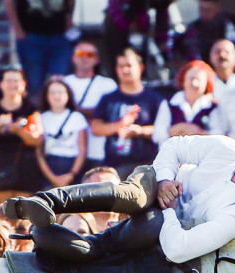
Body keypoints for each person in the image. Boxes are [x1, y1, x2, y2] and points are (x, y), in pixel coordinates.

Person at [4, 130, 235, 265]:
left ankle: (40, 234)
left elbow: (178, 250)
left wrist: (169, 210)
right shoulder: (228, 148)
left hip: (163, 225)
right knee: (134, 196)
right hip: (154, 180)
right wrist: (164, 180)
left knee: (99, 249)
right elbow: (174, 145)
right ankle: (47, 201)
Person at [90, 47, 163, 179]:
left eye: (129, 65)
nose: (125, 70)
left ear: (140, 67)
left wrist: (140, 131)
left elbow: (164, 129)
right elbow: (96, 128)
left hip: (145, 168)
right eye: (121, 66)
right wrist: (120, 125)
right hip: (113, 168)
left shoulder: (154, 99)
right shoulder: (108, 98)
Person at [0, 68, 43, 202]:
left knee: (25, 215)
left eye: (16, 81)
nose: (12, 85)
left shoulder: (31, 109)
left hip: (26, 168)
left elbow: (37, 140)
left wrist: (19, 130)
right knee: (2, 212)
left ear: (23, 84)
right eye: (8, 81)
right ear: (0, 84)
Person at [63, 40, 119, 173]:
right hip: (69, 151)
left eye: (89, 54)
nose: (84, 57)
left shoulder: (108, 84)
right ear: (73, 57)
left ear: (97, 59)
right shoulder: (64, 82)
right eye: (80, 53)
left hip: (98, 150)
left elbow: (111, 115)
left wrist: (76, 111)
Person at [4, 0, 74, 99]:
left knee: (60, 80)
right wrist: (18, 30)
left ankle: (59, 112)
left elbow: (71, 2)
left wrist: (70, 20)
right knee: (34, 83)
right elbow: (9, 2)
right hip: (31, 35)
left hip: (59, 34)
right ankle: (35, 113)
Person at [36, 77, 88, 189]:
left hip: (71, 165)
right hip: (50, 165)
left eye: (60, 92)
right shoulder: (41, 118)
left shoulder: (77, 118)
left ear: (68, 94)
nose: (57, 96)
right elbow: (39, 152)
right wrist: (52, 177)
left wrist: (72, 174)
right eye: (52, 92)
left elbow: (82, 150)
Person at [152, 61, 219, 146]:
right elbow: (157, 135)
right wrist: (180, 128)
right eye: (191, 78)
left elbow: (218, 135)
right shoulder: (169, 103)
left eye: (199, 79)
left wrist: (196, 132)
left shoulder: (212, 106)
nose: (194, 83)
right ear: (183, 80)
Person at [178, 0, 235, 64]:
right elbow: (193, 53)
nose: (204, 13)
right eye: (201, 9)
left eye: (207, 10)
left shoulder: (230, 23)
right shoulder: (193, 28)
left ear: (216, 9)